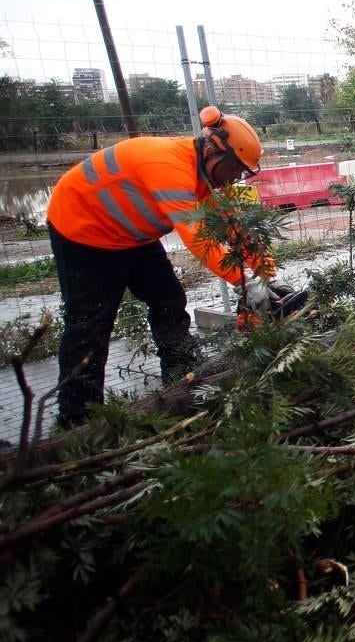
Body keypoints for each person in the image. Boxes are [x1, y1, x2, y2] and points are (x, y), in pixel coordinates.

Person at [45, 106, 279, 427]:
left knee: (168, 300)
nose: (234, 178)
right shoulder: (168, 164)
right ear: (213, 150)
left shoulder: (205, 178)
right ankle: (77, 421)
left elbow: (233, 228)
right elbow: (198, 236)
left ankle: (181, 376)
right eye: (233, 169)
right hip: (82, 233)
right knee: (90, 326)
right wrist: (246, 283)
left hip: (130, 236)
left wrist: (268, 278)